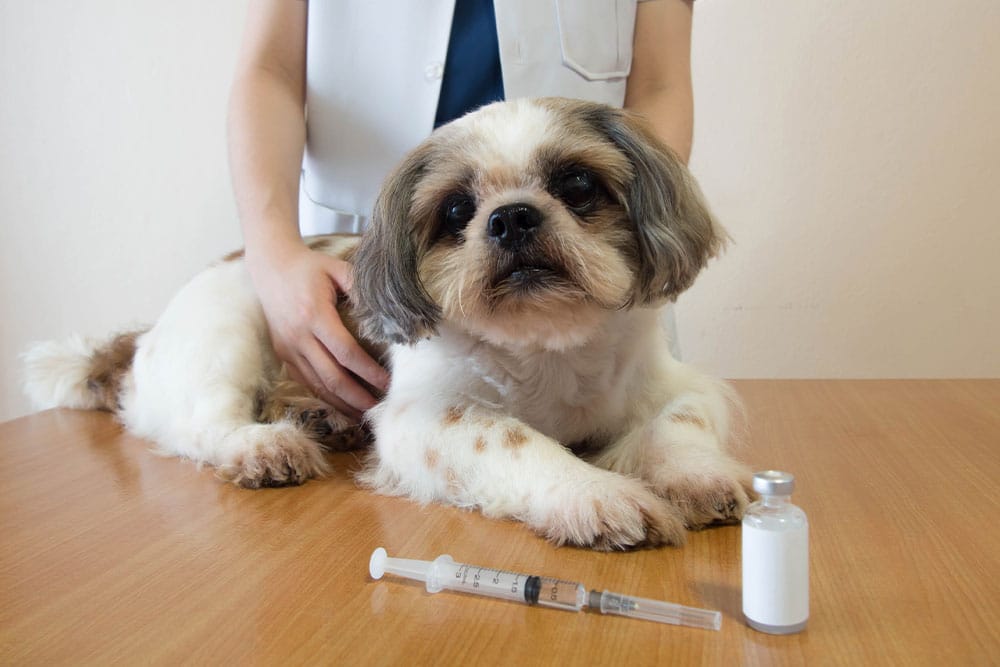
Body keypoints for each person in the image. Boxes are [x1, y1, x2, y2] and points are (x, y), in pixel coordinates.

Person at [228, 0, 696, 421]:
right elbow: (272, 69)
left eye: (570, 186)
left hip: (602, 285)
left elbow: (660, 82)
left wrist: (656, 225)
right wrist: (272, 255)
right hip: (403, 263)